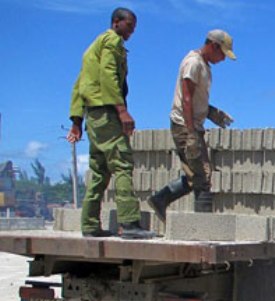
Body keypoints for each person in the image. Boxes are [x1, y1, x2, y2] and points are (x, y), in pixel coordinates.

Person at [67, 7, 154, 239]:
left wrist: (77, 120)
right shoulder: (112, 41)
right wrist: (122, 110)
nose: (131, 32)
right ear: (116, 22)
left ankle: (89, 225)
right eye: (129, 26)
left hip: (93, 118)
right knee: (122, 163)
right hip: (107, 114)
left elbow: (79, 87)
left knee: (99, 171)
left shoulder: (91, 50)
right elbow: (108, 75)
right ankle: (129, 223)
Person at [148, 30, 236, 220]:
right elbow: (186, 98)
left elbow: (195, 99)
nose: (223, 59)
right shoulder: (193, 63)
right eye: (222, 54)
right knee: (202, 176)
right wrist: (191, 133)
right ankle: (201, 226)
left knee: (195, 175)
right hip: (184, 126)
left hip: (192, 125)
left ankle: (161, 199)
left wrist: (212, 113)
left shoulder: (204, 65)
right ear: (214, 46)